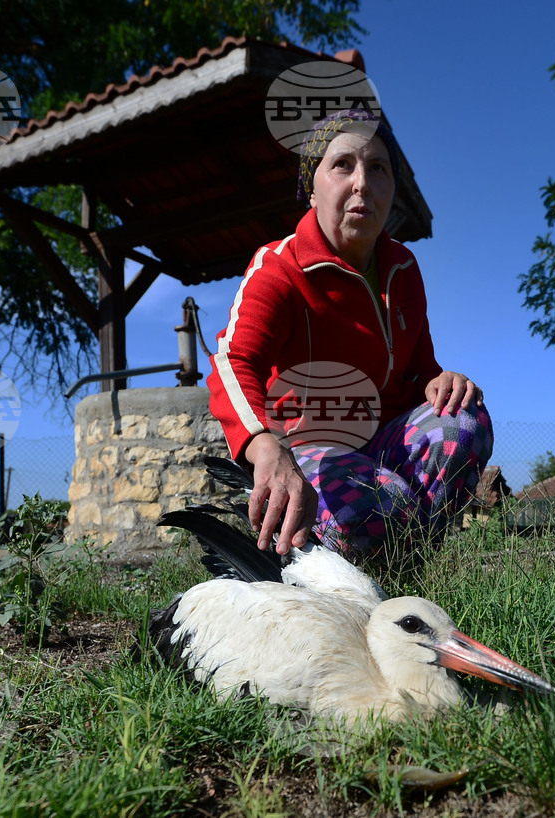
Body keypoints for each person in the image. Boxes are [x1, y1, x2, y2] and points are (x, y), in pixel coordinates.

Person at [206, 109, 492, 558]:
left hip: (385, 444)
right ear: (311, 188)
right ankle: (361, 554)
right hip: (310, 450)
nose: (362, 183)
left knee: (463, 420)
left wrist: (440, 381)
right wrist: (264, 445)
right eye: (342, 164)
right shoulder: (279, 267)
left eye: (377, 168)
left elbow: (420, 370)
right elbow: (234, 360)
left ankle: (418, 559)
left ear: (392, 188)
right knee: (381, 507)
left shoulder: (403, 268)